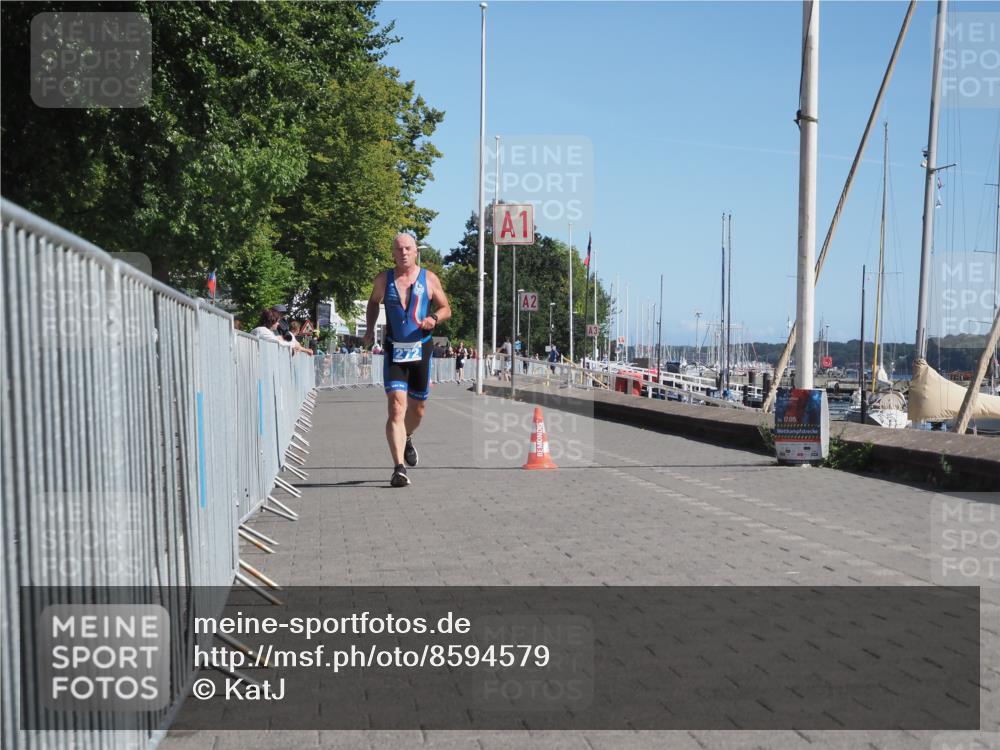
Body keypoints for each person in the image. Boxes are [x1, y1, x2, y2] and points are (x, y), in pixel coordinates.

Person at [364, 232, 451, 487]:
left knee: (418, 409)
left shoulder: (429, 278)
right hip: (394, 350)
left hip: (420, 349)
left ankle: (408, 435)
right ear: (393, 252)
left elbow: (446, 308)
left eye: (408, 248)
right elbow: (372, 302)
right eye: (398, 249)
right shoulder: (384, 279)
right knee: (395, 408)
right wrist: (370, 329)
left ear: (416, 252)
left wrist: (434, 318)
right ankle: (398, 468)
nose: (403, 252)